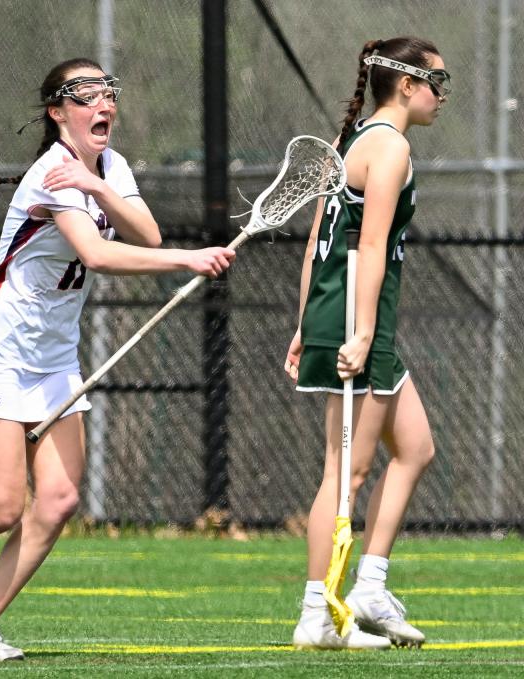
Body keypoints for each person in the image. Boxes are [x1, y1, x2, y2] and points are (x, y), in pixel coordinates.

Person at [0, 57, 235, 661]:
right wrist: (189, 260)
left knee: (58, 500)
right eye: (86, 94)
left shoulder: (106, 168)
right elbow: (101, 254)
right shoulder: (50, 173)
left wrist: (102, 187)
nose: (103, 103)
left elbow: (147, 234)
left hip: (55, 356)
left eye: (109, 91)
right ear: (58, 112)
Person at [284, 37, 448, 649]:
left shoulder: (351, 142)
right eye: (436, 81)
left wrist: (307, 324)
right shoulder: (390, 147)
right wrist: (359, 332)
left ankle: (369, 584)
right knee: (343, 474)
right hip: (358, 320)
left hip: (340, 314)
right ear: (405, 85)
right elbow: (371, 244)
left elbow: (314, 247)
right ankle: (317, 613)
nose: (441, 95)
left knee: (415, 448)